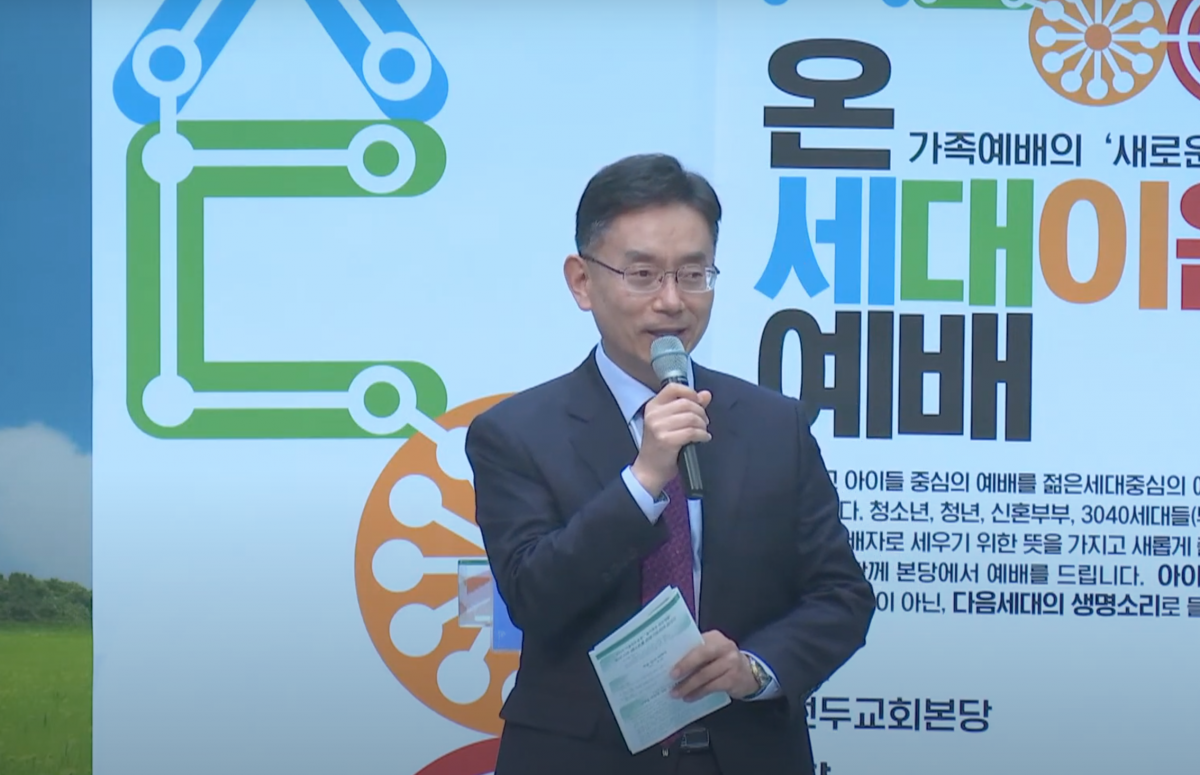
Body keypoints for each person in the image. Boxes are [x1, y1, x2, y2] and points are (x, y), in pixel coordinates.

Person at [464, 153, 875, 775]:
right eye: (643, 275)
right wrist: (644, 480)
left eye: (693, 274)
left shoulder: (775, 426)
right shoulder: (517, 433)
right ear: (582, 281)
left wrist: (754, 669)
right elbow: (533, 597)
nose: (672, 301)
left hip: (747, 753)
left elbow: (841, 595)